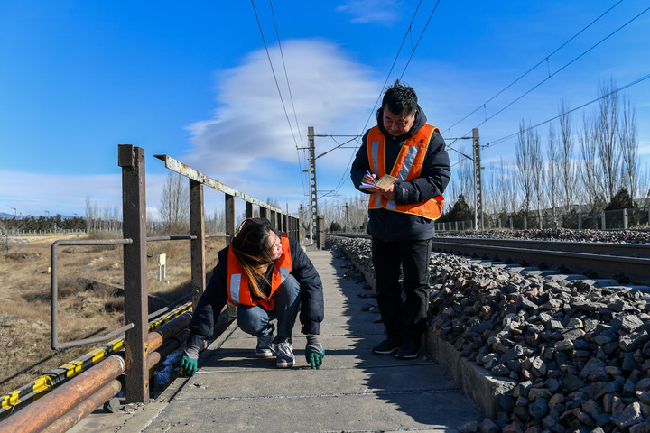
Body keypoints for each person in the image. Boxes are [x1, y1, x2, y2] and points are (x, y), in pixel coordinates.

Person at [350, 80, 450, 359]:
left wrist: (402, 191)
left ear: (414, 115)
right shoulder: (371, 135)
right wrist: (363, 180)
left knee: (416, 286)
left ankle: (412, 341)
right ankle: (392, 337)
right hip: (381, 225)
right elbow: (357, 167)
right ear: (382, 112)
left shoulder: (431, 137)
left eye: (401, 122)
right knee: (386, 286)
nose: (393, 126)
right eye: (389, 120)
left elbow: (439, 179)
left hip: (415, 225)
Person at [180, 217, 325, 373]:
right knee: (246, 318)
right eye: (273, 248)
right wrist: (194, 345)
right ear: (258, 257)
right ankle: (265, 335)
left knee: (290, 284)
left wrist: (313, 336)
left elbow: (313, 285)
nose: (280, 247)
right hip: (257, 308)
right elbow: (211, 300)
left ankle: (284, 340)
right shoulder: (230, 260)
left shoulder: (290, 248)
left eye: (277, 239)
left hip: (287, 302)